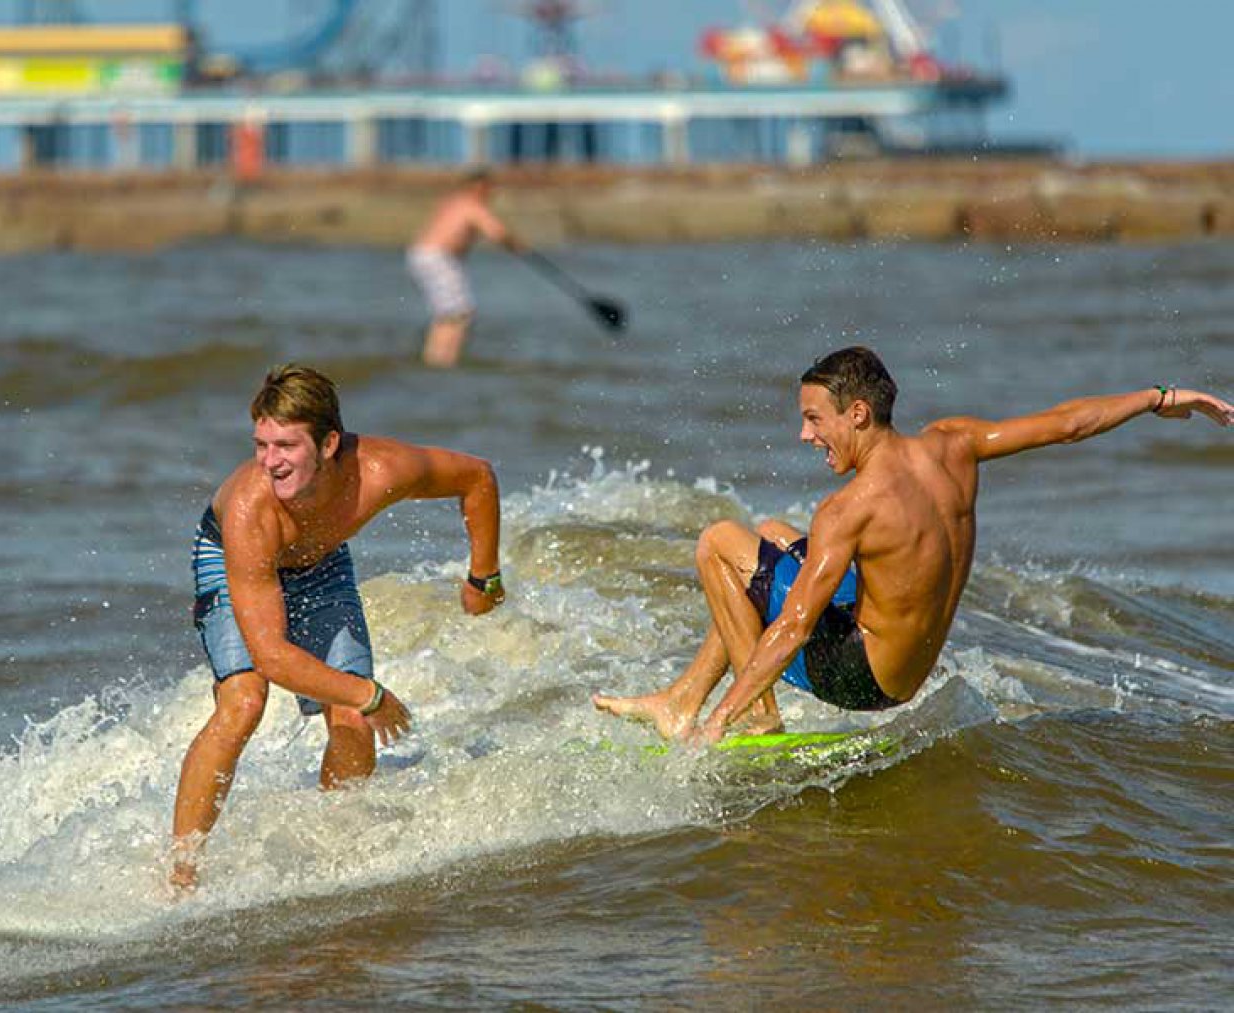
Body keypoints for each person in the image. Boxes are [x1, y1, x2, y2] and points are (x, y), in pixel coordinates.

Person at [594, 346, 1232, 744]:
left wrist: (723, 720)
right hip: (910, 666)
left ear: (858, 415)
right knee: (773, 536)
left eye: (815, 419)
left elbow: (791, 626)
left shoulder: (852, 507)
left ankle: (746, 716)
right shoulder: (955, 443)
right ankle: (679, 698)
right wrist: (1161, 398)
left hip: (863, 679)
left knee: (718, 543)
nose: (804, 435)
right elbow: (1068, 425)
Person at [171, 364, 507, 889]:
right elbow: (272, 657)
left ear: (329, 444)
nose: (270, 462)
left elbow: (477, 477)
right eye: (261, 445)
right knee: (244, 703)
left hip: (322, 561)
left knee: (349, 718)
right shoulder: (248, 508)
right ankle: (180, 875)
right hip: (235, 557)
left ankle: (332, 859)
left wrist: (483, 577)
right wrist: (371, 693)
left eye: (285, 446)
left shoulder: (382, 470)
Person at [408, 168, 526, 368]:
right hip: (438, 258)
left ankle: (435, 359)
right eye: (489, 189)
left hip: (422, 256)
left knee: (448, 312)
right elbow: (498, 233)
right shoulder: (472, 206)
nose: (492, 194)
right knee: (460, 312)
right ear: (479, 187)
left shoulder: (453, 202)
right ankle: (444, 361)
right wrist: (518, 246)